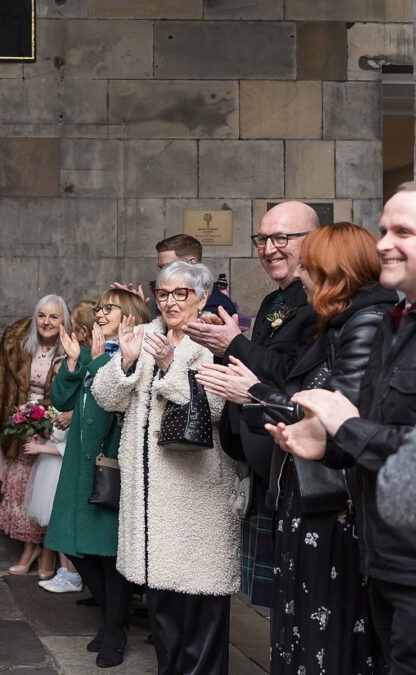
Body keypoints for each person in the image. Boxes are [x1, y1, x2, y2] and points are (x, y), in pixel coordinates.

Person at [198, 223, 392, 674]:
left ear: (336, 271)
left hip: (332, 500)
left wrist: (257, 393)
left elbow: (336, 417)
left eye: (310, 269)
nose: (302, 279)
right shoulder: (331, 320)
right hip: (300, 490)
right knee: (297, 623)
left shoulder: (365, 321)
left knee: (328, 631)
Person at [268, 184, 416, 674]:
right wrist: (324, 442)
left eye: (404, 232)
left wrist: (345, 428)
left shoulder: (371, 320)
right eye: (383, 231)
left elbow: (374, 432)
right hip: (385, 555)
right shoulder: (397, 324)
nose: (383, 245)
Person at [92, 261, 239, 675]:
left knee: (200, 606)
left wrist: (173, 367)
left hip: (196, 497)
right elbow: (107, 398)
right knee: (164, 609)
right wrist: (125, 361)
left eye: (181, 294)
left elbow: (216, 408)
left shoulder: (214, 343)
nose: (170, 302)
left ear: (202, 297)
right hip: (149, 499)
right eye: (163, 294)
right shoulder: (144, 334)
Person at [184, 201, 320, 609]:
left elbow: (294, 375)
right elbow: (253, 370)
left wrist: (235, 343)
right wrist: (223, 346)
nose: (269, 248)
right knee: (277, 600)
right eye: (262, 239)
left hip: (295, 466)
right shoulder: (272, 303)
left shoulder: (317, 304)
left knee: (299, 599)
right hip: (261, 464)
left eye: (282, 238)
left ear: (313, 241)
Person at [45, 289, 150, 668]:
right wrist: (73, 364)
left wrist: (89, 360)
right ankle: (112, 621)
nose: (100, 312)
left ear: (129, 317)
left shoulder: (129, 353)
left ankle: (113, 629)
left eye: (109, 308)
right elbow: (60, 400)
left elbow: (110, 395)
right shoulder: (93, 353)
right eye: (100, 307)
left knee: (107, 552)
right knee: (75, 545)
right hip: (80, 459)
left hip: (110, 459)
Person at [0, 297, 75, 584]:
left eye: (54, 317)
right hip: (20, 423)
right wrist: (0, 421)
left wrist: (51, 421)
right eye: (41, 316)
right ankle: (29, 550)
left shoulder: (71, 350)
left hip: (54, 428)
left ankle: (48, 552)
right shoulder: (20, 344)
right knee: (23, 492)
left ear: (64, 321)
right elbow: (0, 382)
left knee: (46, 493)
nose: (47, 322)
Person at [114, 234, 237, 318]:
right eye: (161, 268)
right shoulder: (167, 297)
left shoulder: (219, 306)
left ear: (192, 263)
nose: (163, 273)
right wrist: (136, 308)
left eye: (168, 266)